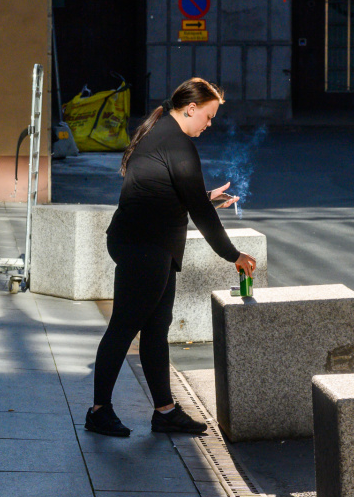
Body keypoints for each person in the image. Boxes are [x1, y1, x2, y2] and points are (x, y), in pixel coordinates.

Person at [86, 77, 257, 437]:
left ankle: (164, 411)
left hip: (149, 244)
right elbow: (199, 213)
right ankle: (99, 411)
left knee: (155, 328)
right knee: (124, 327)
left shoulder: (161, 131)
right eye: (208, 116)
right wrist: (234, 255)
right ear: (191, 108)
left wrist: (204, 196)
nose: (209, 125)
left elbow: (169, 192)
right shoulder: (177, 143)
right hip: (145, 246)